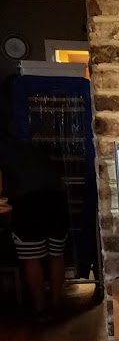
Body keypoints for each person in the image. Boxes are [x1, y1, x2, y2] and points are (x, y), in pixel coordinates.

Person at [0, 133, 70, 320]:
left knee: (32, 258)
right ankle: (56, 303)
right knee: (56, 254)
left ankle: (41, 308)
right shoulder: (33, 145)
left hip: (28, 201)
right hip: (57, 198)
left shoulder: (4, 149)